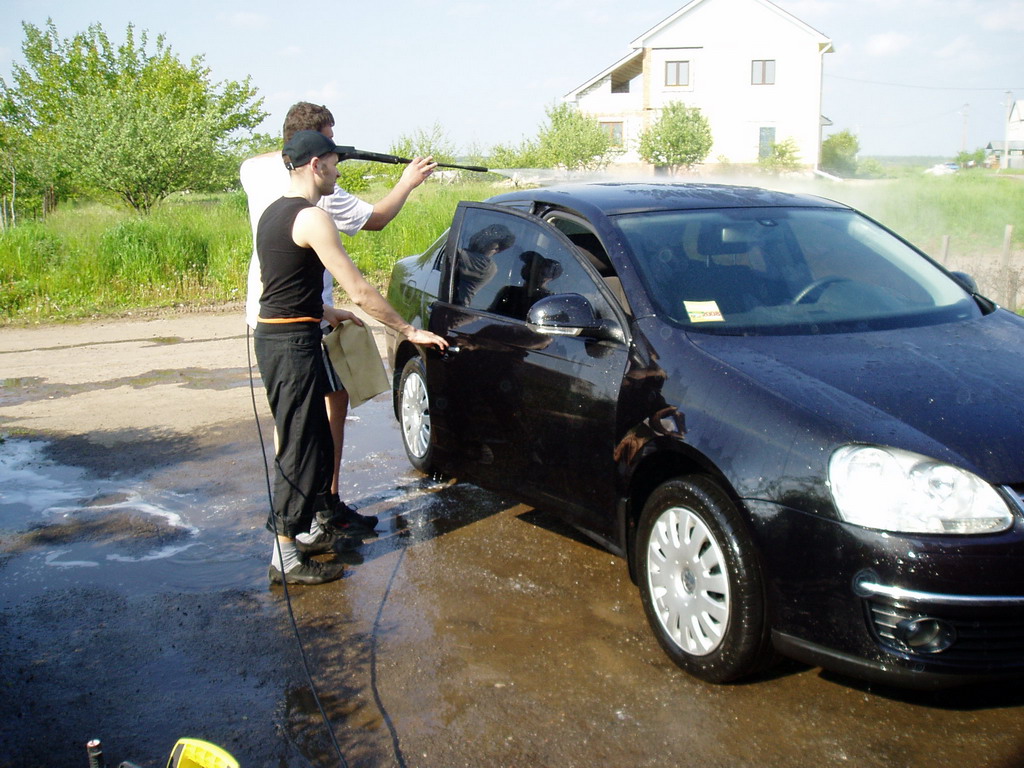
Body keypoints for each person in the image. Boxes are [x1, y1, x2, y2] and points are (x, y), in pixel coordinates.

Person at [254, 130, 448, 586]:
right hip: (290, 344)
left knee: (316, 440)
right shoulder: (311, 218)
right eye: (335, 163)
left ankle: (311, 528)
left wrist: (325, 311)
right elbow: (359, 289)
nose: (338, 173)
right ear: (316, 164)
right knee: (301, 446)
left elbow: (282, 286)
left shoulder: (274, 212)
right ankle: (285, 554)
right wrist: (408, 330)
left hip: (289, 334)